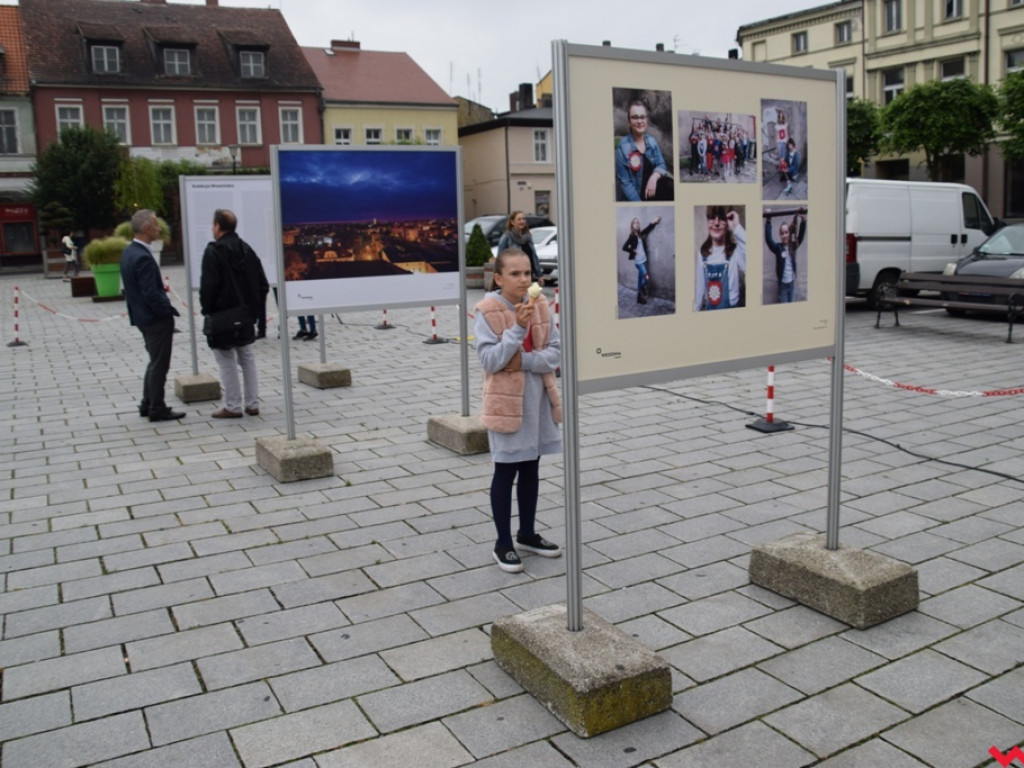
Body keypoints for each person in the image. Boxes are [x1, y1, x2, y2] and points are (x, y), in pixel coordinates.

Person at [475, 250, 563, 573]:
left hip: (537, 401)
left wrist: (523, 361)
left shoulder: (540, 305)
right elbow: (491, 360)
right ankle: (503, 543)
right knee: (505, 470)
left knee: (531, 467)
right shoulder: (487, 311)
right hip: (505, 404)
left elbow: (555, 352)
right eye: (515, 274)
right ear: (499, 278)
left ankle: (527, 533)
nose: (524, 280)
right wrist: (517, 328)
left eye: (527, 273)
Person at [199, 208, 268, 419]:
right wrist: (254, 310)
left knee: (226, 359)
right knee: (247, 357)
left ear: (217, 226)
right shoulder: (246, 249)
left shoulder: (214, 251)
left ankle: (233, 405)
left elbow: (209, 285)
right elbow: (262, 284)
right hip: (245, 314)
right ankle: (253, 403)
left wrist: (207, 309)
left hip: (222, 315)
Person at [120, 209, 184, 422]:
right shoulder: (142, 257)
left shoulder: (129, 252)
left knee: (154, 361)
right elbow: (151, 293)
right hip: (155, 320)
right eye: (156, 225)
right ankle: (157, 407)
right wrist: (166, 313)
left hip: (142, 318)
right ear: (147, 229)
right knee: (160, 365)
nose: (159, 228)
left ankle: (147, 403)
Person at [615, 99, 672, 201]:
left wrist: (654, 177)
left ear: (646, 120)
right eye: (635, 117)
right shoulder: (622, 148)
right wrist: (641, 205)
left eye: (642, 117)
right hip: (639, 194)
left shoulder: (652, 141)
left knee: (670, 186)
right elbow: (626, 184)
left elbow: (661, 164)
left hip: (654, 187)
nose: (639, 121)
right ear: (629, 122)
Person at [695, 206, 747, 311]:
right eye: (712, 217)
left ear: (728, 223)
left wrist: (736, 227)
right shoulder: (703, 253)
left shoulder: (735, 251)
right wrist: (696, 308)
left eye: (722, 218)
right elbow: (700, 284)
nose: (716, 223)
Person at [765, 212, 806, 303]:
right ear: (780, 235)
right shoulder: (778, 248)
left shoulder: (793, 246)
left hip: (792, 285)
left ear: (790, 233)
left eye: (786, 232)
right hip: (783, 286)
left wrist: (803, 221)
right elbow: (769, 240)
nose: (784, 235)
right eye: (782, 233)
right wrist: (768, 221)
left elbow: (800, 237)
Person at [621, 215, 662, 304]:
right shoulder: (632, 236)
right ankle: (643, 289)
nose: (636, 224)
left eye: (637, 223)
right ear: (632, 226)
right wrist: (632, 250)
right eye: (634, 223)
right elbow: (624, 247)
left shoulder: (639, 234)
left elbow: (647, 229)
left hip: (644, 259)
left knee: (640, 279)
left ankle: (639, 298)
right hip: (638, 262)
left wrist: (654, 222)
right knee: (646, 277)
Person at [496, 211, 542, 283]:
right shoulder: (507, 236)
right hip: (514, 275)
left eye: (523, 219)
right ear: (512, 222)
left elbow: (534, 256)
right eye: (519, 219)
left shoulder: (528, 236)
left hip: (528, 274)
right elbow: (500, 258)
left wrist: (539, 275)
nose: (522, 221)